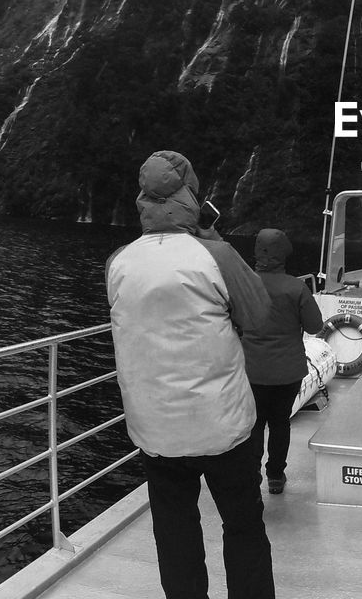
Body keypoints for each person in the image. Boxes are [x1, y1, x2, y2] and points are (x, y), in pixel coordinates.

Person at [106, 150, 275, 599]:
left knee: (174, 531)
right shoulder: (215, 252)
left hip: (155, 430)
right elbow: (258, 316)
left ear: (143, 203)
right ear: (192, 200)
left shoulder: (119, 261)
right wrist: (212, 234)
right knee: (243, 526)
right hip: (223, 427)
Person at [240, 227, 324, 494]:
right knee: (280, 423)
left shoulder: (243, 285)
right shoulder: (296, 288)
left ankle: (250, 476)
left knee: (254, 425)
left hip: (250, 369)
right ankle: (275, 475)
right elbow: (314, 326)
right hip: (288, 371)